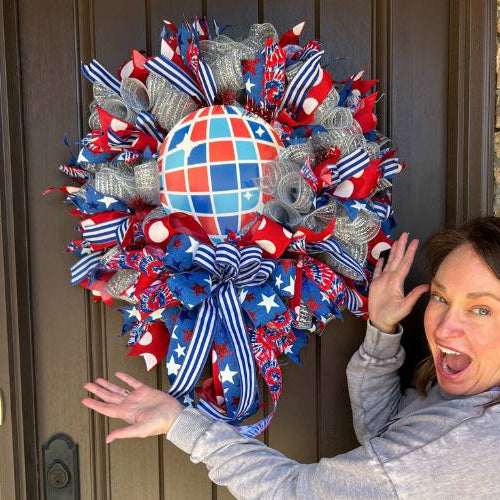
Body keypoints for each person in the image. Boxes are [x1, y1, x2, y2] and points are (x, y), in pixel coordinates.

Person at [82, 217, 500, 498]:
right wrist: (382, 331)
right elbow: (386, 439)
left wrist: (180, 422)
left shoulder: (471, 443)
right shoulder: (466, 399)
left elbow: (293, 492)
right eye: (441, 297)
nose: (444, 329)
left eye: (481, 309)